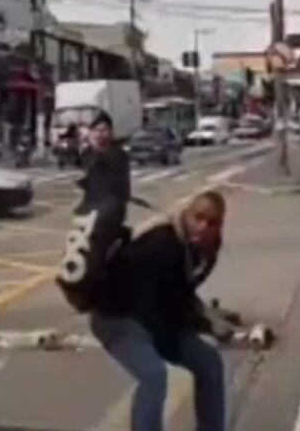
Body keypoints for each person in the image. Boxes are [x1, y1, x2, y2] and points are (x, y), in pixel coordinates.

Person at [92, 190, 230, 431]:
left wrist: (208, 319)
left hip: (157, 320)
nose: (204, 227)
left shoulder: (207, 250)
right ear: (187, 215)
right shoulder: (162, 243)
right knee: (154, 376)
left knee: (209, 362)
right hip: (116, 317)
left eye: (213, 222)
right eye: (199, 217)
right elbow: (162, 299)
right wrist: (204, 323)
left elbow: (180, 294)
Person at [56, 111, 132, 312]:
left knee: (102, 252)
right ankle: (79, 287)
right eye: (97, 130)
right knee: (79, 248)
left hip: (108, 214)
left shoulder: (118, 156)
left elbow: (121, 188)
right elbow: (90, 176)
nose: (101, 134)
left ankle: (98, 291)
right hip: (89, 211)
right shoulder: (89, 155)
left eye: (105, 130)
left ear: (111, 133)